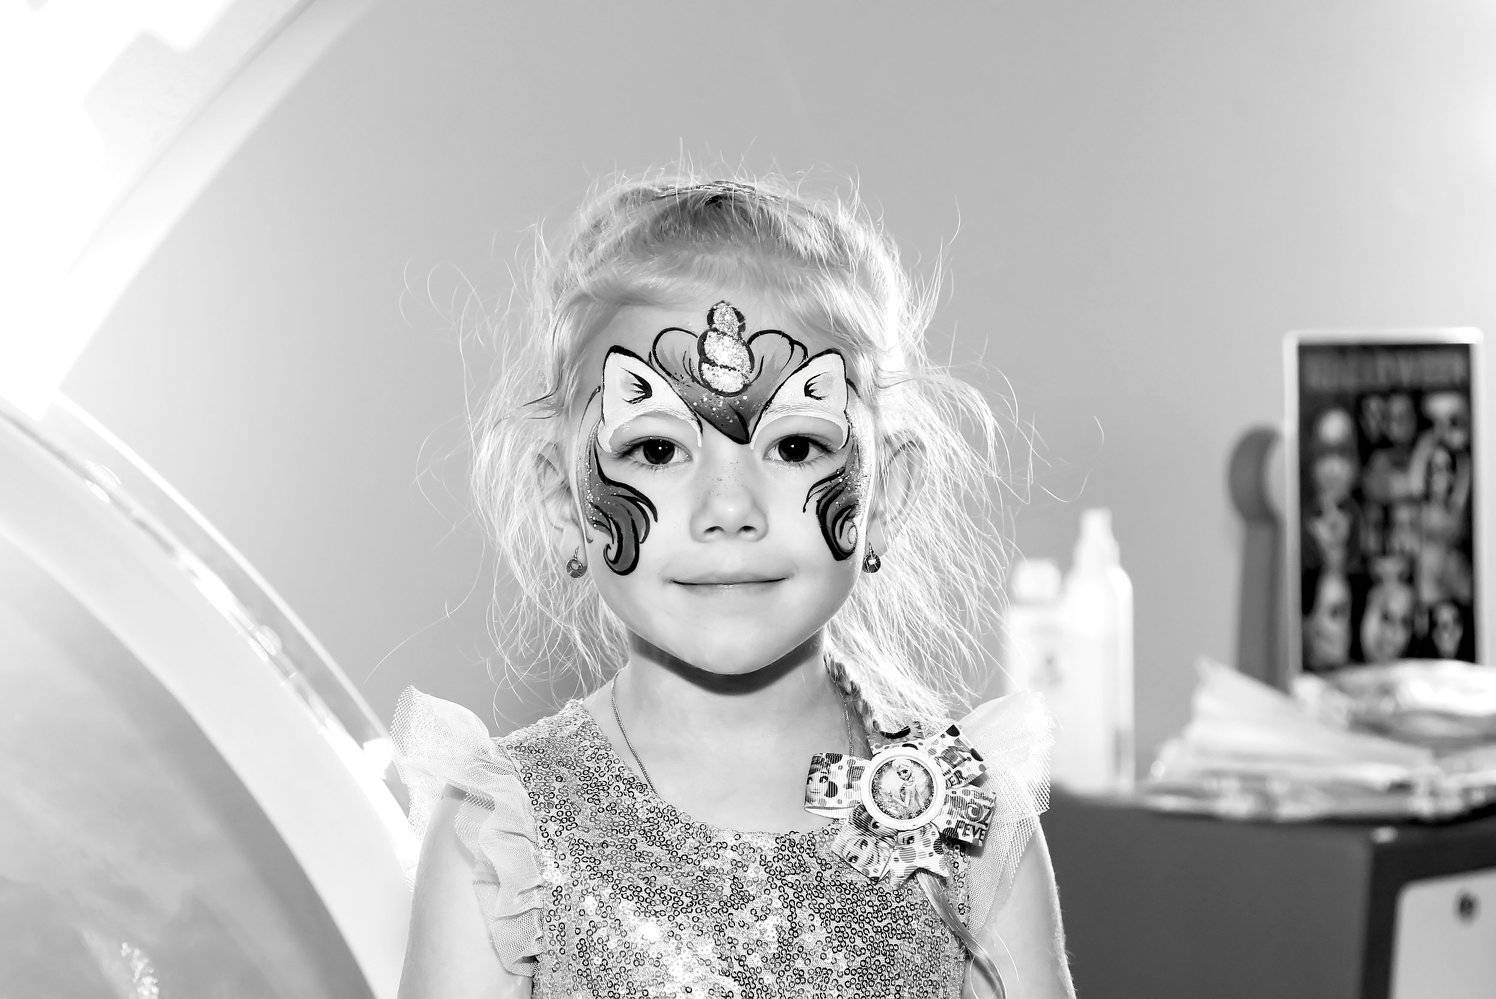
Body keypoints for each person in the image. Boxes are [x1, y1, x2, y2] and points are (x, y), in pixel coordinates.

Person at [392, 172, 1074, 998]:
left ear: (886, 496)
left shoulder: (962, 814)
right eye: (655, 449)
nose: (728, 508)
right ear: (565, 504)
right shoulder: (505, 832)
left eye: (795, 446)